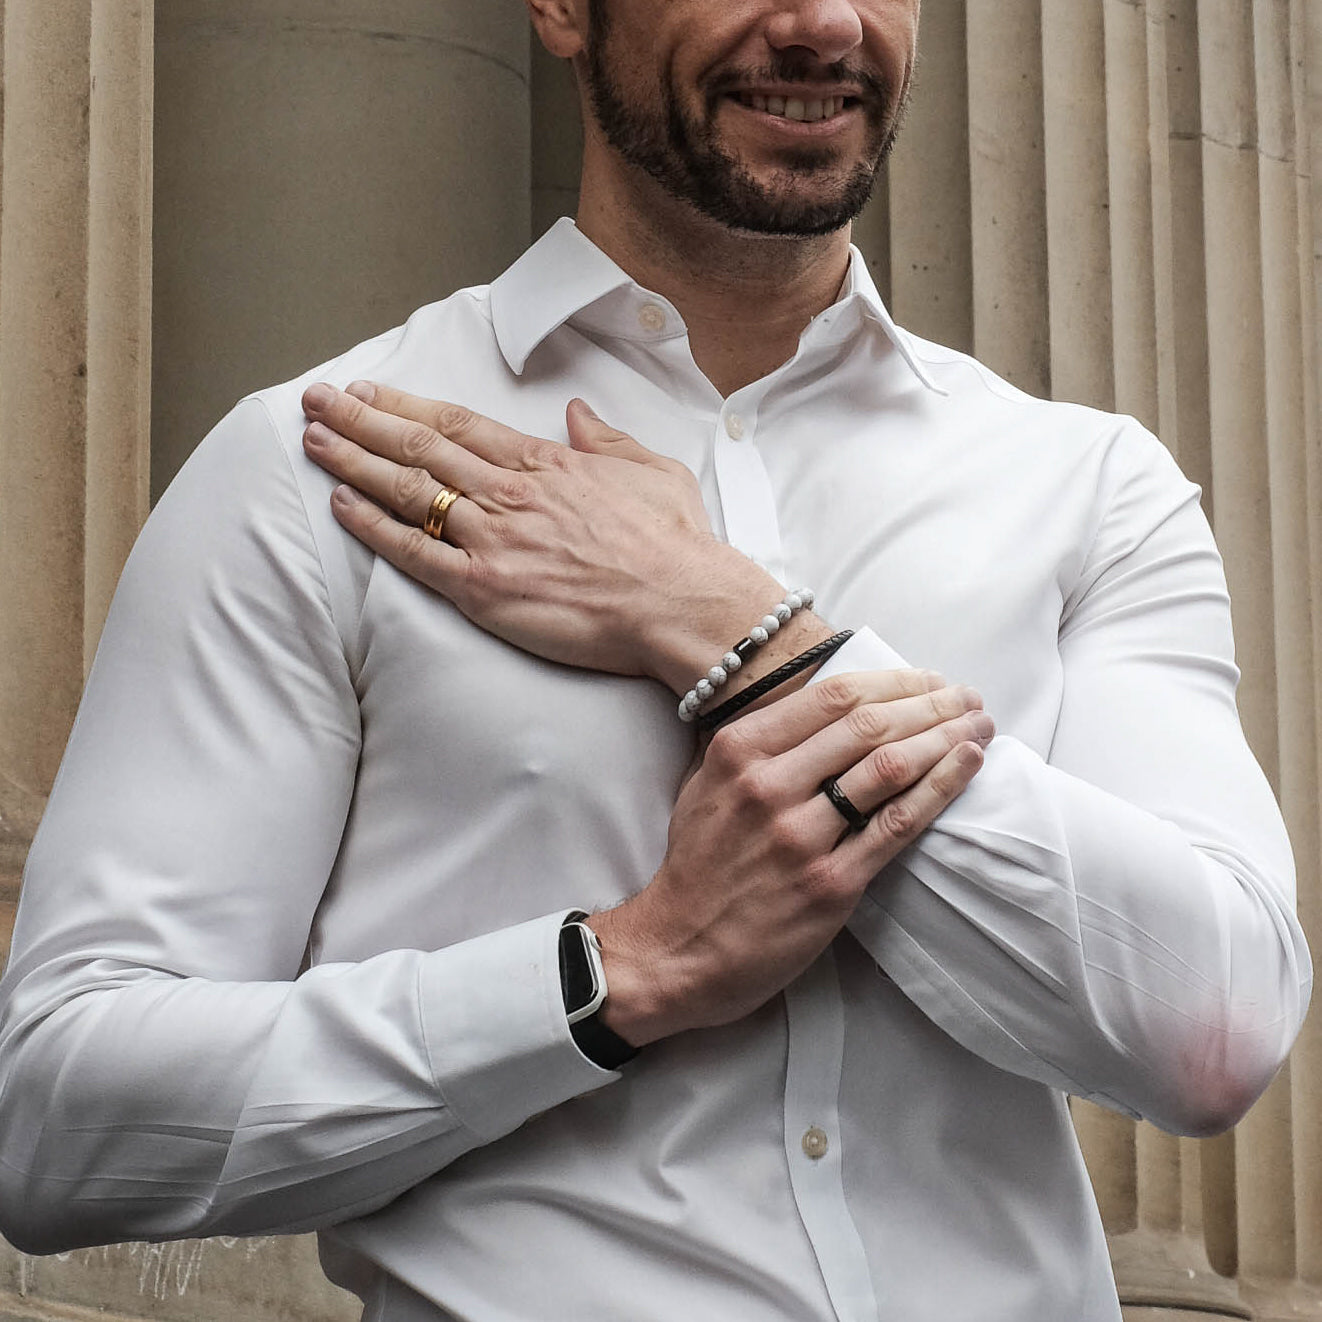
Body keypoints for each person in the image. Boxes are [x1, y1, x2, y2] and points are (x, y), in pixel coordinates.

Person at [0, 0, 1310, 1318]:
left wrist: (734, 629)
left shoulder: (1087, 490)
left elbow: (1213, 1028)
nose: (821, 23)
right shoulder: (318, 469)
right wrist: (615, 972)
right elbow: (62, 1111)